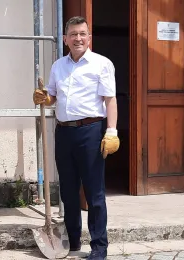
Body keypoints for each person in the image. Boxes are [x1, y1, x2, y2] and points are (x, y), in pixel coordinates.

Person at [33, 16, 120, 260]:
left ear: (89, 37)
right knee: (68, 192)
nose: (78, 38)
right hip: (64, 132)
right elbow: (52, 96)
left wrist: (111, 131)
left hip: (90, 132)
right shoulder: (58, 66)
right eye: (73, 34)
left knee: (94, 193)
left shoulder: (102, 64)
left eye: (82, 33)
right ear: (65, 39)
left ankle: (99, 247)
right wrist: (44, 98)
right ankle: (72, 243)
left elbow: (110, 100)